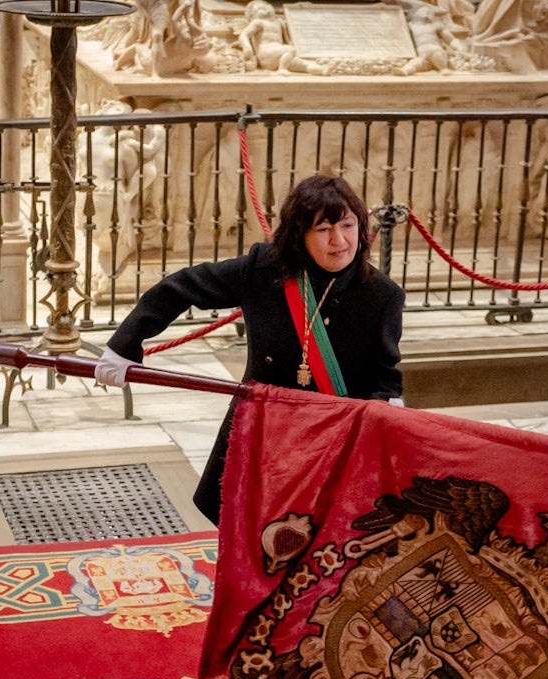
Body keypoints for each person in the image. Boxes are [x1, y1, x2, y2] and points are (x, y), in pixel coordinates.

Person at [94, 174, 405, 524]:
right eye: (323, 230)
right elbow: (179, 288)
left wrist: (386, 409)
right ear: (300, 236)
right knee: (245, 537)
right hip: (261, 435)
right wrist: (125, 345)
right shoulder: (265, 269)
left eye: (348, 225)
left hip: (330, 447)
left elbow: (385, 378)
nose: (340, 241)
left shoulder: (382, 295)